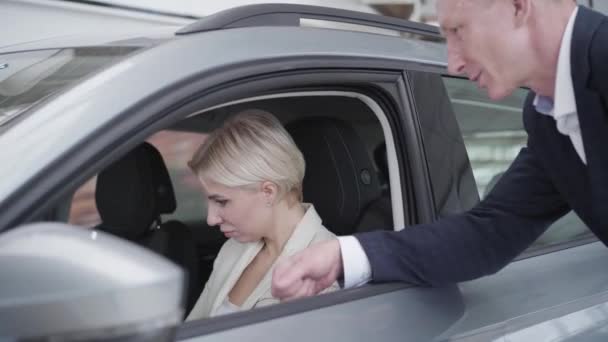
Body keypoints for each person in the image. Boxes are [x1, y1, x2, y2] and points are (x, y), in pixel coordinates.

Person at [271, 0, 608, 301]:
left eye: (458, 31)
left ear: (519, 6)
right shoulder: (546, 119)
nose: (452, 63)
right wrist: (343, 255)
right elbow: (489, 232)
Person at [185, 109, 338, 320]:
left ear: (268, 192)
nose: (211, 219)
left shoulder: (326, 274)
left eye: (221, 201)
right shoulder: (233, 248)